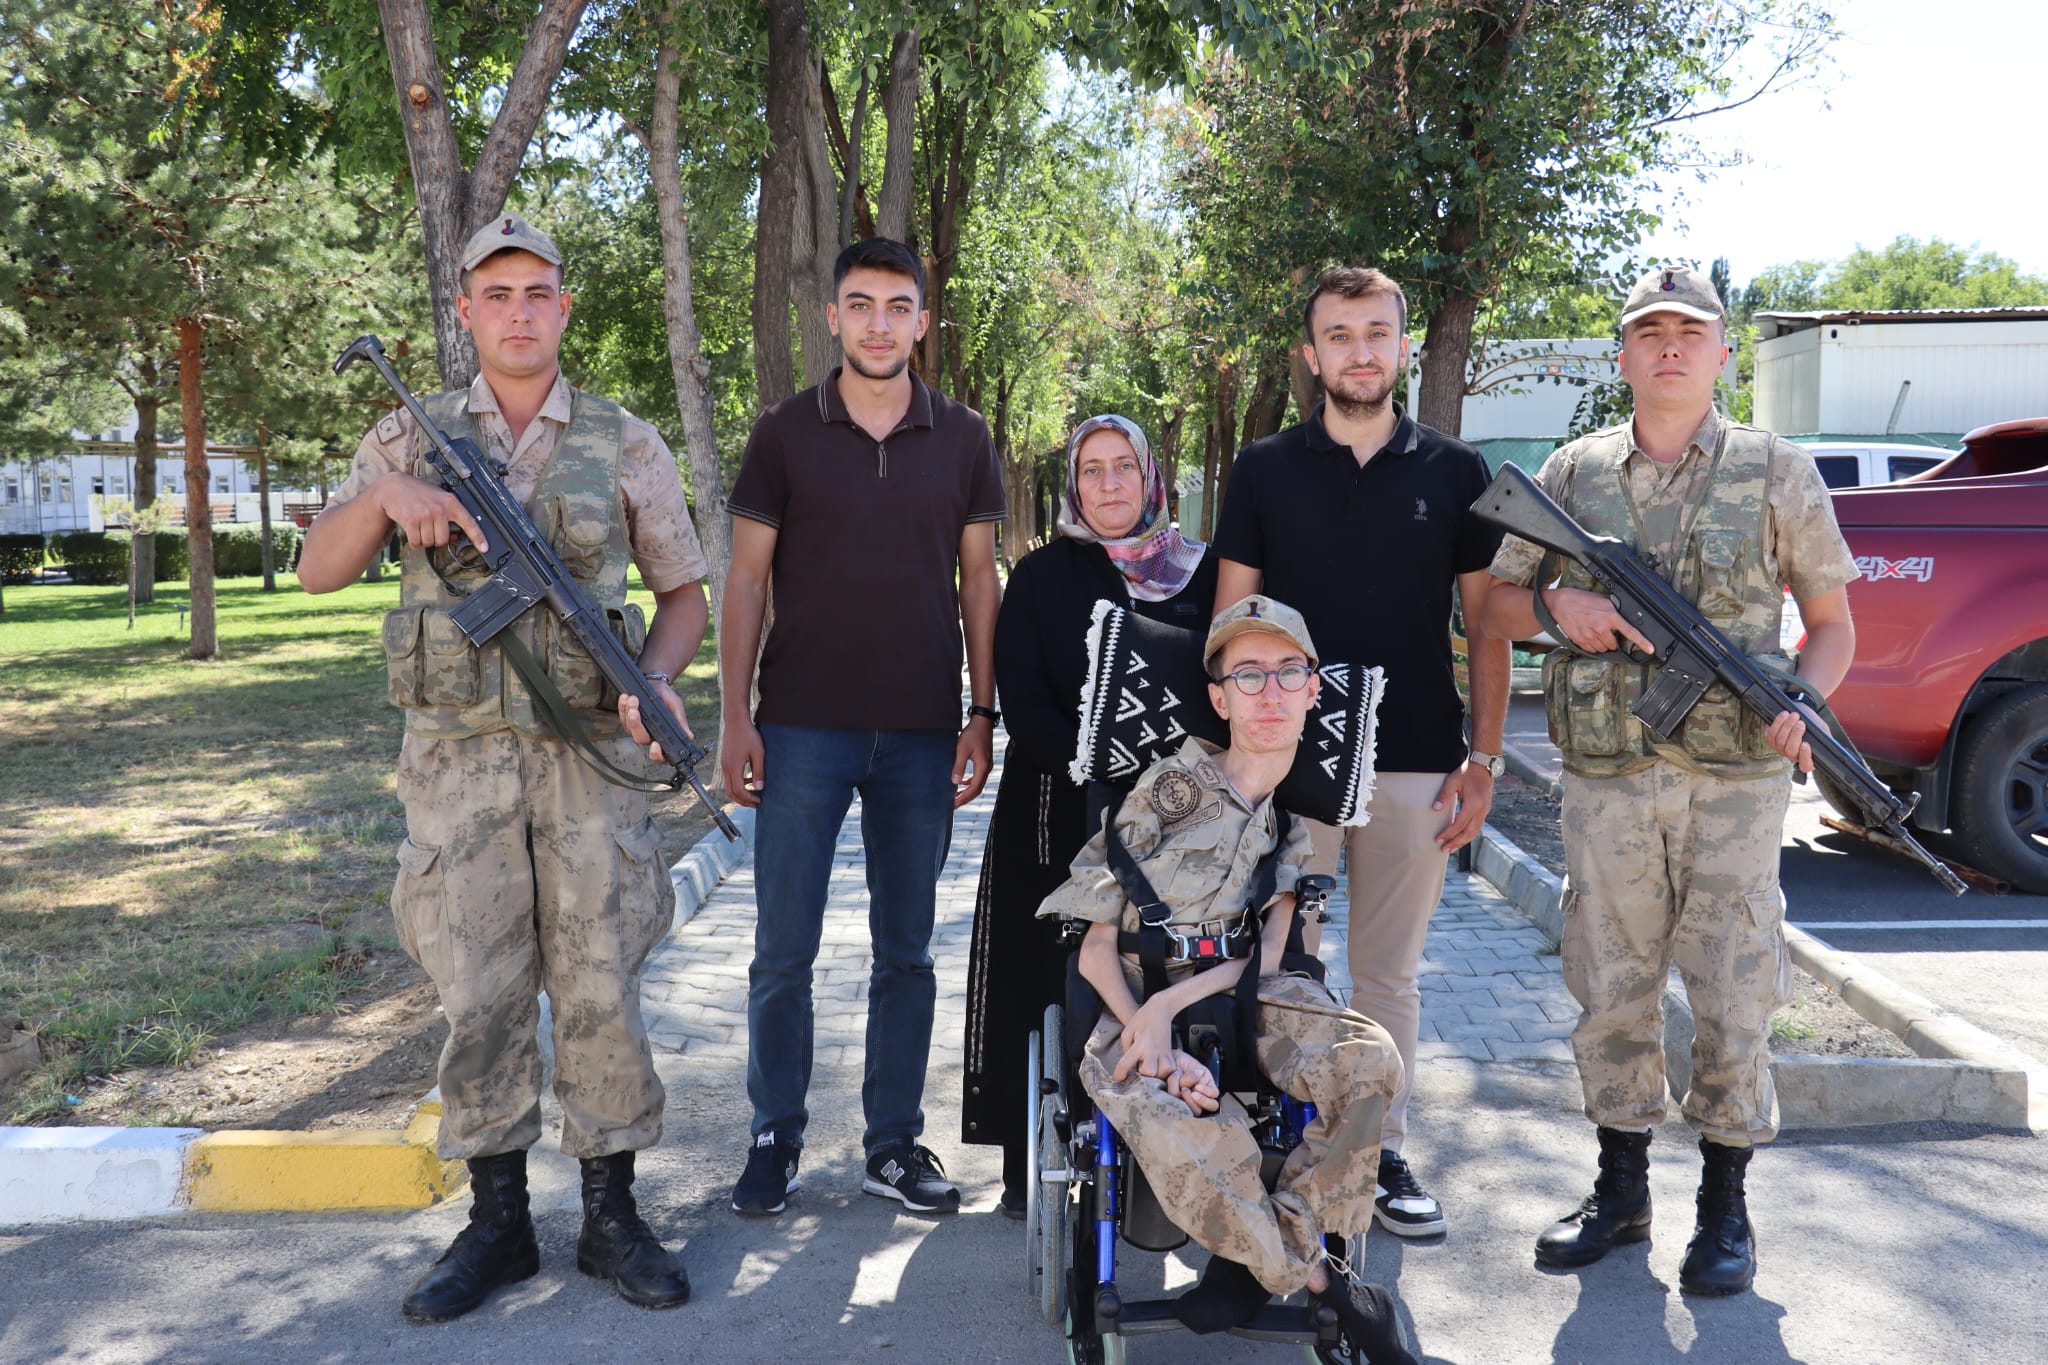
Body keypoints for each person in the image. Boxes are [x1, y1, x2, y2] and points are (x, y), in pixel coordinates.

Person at [300, 214, 709, 1322]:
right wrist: (383, 502)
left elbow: (684, 598)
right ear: (468, 310)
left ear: (563, 308)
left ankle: (612, 1216)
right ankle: (496, 1224)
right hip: (457, 765)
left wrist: (656, 678)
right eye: (497, 294)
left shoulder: (625, 440)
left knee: (599, 985)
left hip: (589, 763)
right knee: (477, 991)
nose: (519, 311)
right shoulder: (406, 434)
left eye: (538, 292)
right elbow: (315, 572)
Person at [1479, 263, 1858, 1296]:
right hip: (1605, 780)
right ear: (1622, 355)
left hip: (1735, 784)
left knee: (1733, 990)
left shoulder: (1776, 469)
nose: (1668, 349)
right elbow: (1493, 612)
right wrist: (1563, 612)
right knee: (1609, 984)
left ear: (1721, 353)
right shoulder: (1568, 473)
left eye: (1688, 333)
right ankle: (1618, 1191)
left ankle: (1725, 1208)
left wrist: (1805, 706)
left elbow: (1829, 629)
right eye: (1648, 333)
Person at [1038, 594, 1415, 1363]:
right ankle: (1326, 1281)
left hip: (1240, 1000)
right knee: (1190, 1134)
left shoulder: (1292, 830)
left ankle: (1250, 1267)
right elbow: (1093, 949)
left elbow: (1267, 962)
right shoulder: (1166, 792)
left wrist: (1174, 1013)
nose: (1270, 691)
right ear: (1219, 697)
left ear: (1314, 691)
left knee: (1374, 1059)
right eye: (1249, 675)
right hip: (1131, 997)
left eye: (1287, 673)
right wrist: (1152, 1031)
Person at [1211, 266, 1509, 1238]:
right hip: (1286, 766)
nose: (1359, 350)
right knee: (1276, 968)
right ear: (1311, 355)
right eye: (1338, 335)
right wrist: (1234, 763)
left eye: (1375, 332)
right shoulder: (1260, 472)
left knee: (1386, 977)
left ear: (1402, 346)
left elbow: (1488, 625)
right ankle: (1272, 1144)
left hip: (1416, 760)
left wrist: (1486, 759)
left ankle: (1378, 1156)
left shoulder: (1454, 475)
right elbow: (1231, 622)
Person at [721, 237, 1005, 1218]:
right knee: (781, 949)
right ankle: (773, 1134)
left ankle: (893, 1145)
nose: (878, 322)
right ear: (832, 318)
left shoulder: (964, 438)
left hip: (923, 733)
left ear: (923, 321)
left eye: (897, 306)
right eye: (860, 304)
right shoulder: (782, 434)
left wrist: (981, 710)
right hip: (799, 727)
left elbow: (979, 578)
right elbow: (746, 579)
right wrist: (733, 718)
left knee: (907, 952)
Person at [961, 413, 1218, 1218]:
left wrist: (1163, 790)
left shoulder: (1201, 575)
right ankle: (1026, 1160)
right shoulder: (1041, 577)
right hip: (1054, 805)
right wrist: (1098, 766)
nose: (1109, 485)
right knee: (1041, 969)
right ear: (1074, 483)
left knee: (1169, 968)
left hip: (1178, 817)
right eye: (1093, 469)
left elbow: (1218, 681)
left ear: (1151, 477)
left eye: (1123, 468)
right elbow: (1025, 696)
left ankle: (1170, 1149)